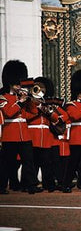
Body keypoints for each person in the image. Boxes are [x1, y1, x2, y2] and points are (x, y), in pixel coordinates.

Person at [0, 60, 43, 194]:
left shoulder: (23, 97)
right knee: (7, 162)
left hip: (24, 134)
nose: (19, 86)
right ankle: (1, 186)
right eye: (16, 83)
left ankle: (31, 185)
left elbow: (33, 113)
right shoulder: (3, 97)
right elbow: (8, 112)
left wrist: (32, 101)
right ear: (10, 82)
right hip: (10, 134)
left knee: (28, 161)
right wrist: (20, 102)